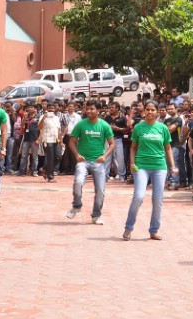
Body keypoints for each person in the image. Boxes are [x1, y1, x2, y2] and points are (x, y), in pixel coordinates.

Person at [123, 101, 176, 240]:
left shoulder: (162, 128)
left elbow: (168, 148)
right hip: (141, 167)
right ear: (144, 111)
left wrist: (173, 166)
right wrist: (132, 163)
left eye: (153, 110)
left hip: (159, 167)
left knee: (158, 200)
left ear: (157, 111)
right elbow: (133, 148)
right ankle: (128, 227)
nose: (150, 112)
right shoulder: (139, 128)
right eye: (148, 109)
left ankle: (154, 230)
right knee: (138, 196)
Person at [68, 100, 115, 224]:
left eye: (91, 109)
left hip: (98, 162)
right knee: (78, 182)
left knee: (100, 190)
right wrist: (77, 155)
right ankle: (76, 205)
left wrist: (104, 156)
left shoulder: (104, 125)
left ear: (98, 111)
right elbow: (72, 141)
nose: (88, 111)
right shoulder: (81, 125)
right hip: (83, 161)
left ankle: (96, 215)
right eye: (87, 109)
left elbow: (112, 144)